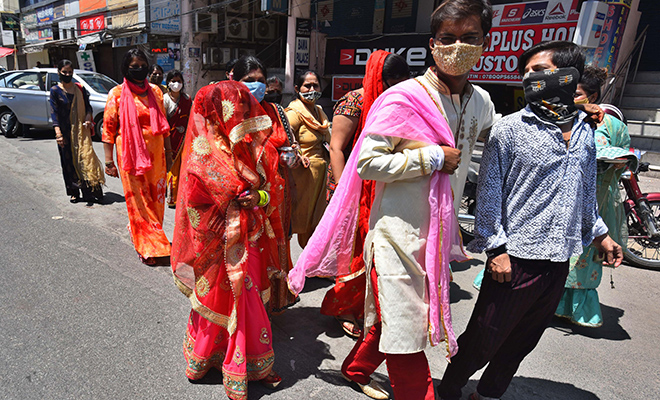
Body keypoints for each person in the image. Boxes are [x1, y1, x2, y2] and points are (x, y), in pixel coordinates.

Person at [437, 41, 624, 400]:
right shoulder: (510, 129)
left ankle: (488, 394)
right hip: (515, 258)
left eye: (538, 71)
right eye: (525, 72)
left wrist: (600, 234)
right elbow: (489, 195)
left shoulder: (586, 130)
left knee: (523, 341)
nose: (528, 78)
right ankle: (450, 388)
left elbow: (584, 191)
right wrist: (496, 249)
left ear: (566, 76)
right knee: (483, 335)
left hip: (558, 260)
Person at [171, 81, 285, 400]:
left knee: (249, 300)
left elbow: (270, 188)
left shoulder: (252, 147)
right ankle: (205, 358)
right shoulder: (201, 150)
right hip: (216, 239)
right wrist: (231, 199)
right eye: (236, 111)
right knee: (216, 299)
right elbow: (193, 200)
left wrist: (257, 197)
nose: (242, 118)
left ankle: (252, 364)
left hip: (250, 237)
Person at [323, 51, 410, 339]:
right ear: (377, 78)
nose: (393, 89)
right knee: (350, 251)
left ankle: (367, 303)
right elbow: (336, 148)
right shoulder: (355, 101)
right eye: (389, 83)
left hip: (382, 187)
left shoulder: (396, 101)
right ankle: (344, 307)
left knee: (374, 251)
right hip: (351, 190)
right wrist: (342, 194)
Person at [555, 66, 637, 327]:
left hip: (596, 197)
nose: (572, 98)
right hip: (561, 195)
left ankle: (578, 309)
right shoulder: (564, 118)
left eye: (577, 94)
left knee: (586, 253)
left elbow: (623, 155)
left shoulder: (612, 125)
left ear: (592, 95)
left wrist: (617, 161)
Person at [232, 55, 298, 314]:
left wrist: (288, 155)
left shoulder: (274, 112)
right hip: (243, 197)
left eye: (260, 81)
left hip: (274, 194)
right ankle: (249, 308)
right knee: (249, 253)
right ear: (233, 81)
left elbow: (287, 146)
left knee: (277, 244)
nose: (256, 86)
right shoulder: (228, 114)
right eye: (249, 81)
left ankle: (276, 299)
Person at [102, 48, 172, 266]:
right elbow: (108, 129)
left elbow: (164, 127)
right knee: (139, 202)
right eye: (134, 67)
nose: (139, 70)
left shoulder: (157, 92)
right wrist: (108, 161)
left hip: (157, 156)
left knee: (157, 201)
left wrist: (169, 155)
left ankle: (146, 235)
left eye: (143, 66)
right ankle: (149, 247)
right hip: (130, 157)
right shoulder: (116, 94)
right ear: (126, 68)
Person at [285, 70, 331, 248]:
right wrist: (297, 155)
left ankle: (309, 264)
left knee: (316, 221)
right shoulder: (294, 113)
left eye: (316, 85)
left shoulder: (319, 112)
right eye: (307, 85)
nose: (312, 89)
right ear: (298, 88)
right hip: (302, 176)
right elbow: (284, 139)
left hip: (320, 176)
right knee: (299, 220)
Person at [51, 59, 105, 206]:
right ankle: (74, 192)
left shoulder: (80, 89)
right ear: (59, 72)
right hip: (65, 133)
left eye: (70, 72)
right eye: (65, 72)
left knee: (86, 160)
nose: (67, 74)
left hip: (81, 132)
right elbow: (54, 113)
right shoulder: (55, 91)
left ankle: (93, 192)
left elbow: (88, 108)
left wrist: (88, 119)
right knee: (68, 163)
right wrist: (58, 134)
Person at [163, 69, 192, 208]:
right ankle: (171, 198)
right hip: (169, 139)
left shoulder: (187, 99)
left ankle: (182, 196)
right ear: (168, 83)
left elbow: (191, 119)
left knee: (183, 169)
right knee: (171, 168)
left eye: (179, 81)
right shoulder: (165, 99)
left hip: (184, 139)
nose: (176, 84)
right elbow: (162, 121)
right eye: (173, 81)